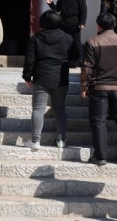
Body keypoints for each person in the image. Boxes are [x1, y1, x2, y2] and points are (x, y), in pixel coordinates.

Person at [81, 13, 117, 166]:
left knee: (99, 121)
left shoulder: (92, 42)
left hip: (99, 86)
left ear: (99, 26)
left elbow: (87, 67)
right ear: (114, 25)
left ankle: (100, 156)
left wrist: (84, 85)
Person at [23, 10, 74, 150]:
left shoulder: (35, 38)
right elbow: (75, 57)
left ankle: (35, 141)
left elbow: (30, 60)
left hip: (41, 77)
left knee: (38, 109)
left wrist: (27, 76)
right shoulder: (67, 38)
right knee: (60, 109)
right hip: (61, 78)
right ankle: (61, 140)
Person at [46, 0, 87, 68]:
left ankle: (80, 61)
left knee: (76, 42)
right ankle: (66, 60)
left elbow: (83, 10)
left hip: (75, 23)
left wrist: (82, 22)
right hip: (64, 23)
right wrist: (51, 3)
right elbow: (57, 9)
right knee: (64, 42)